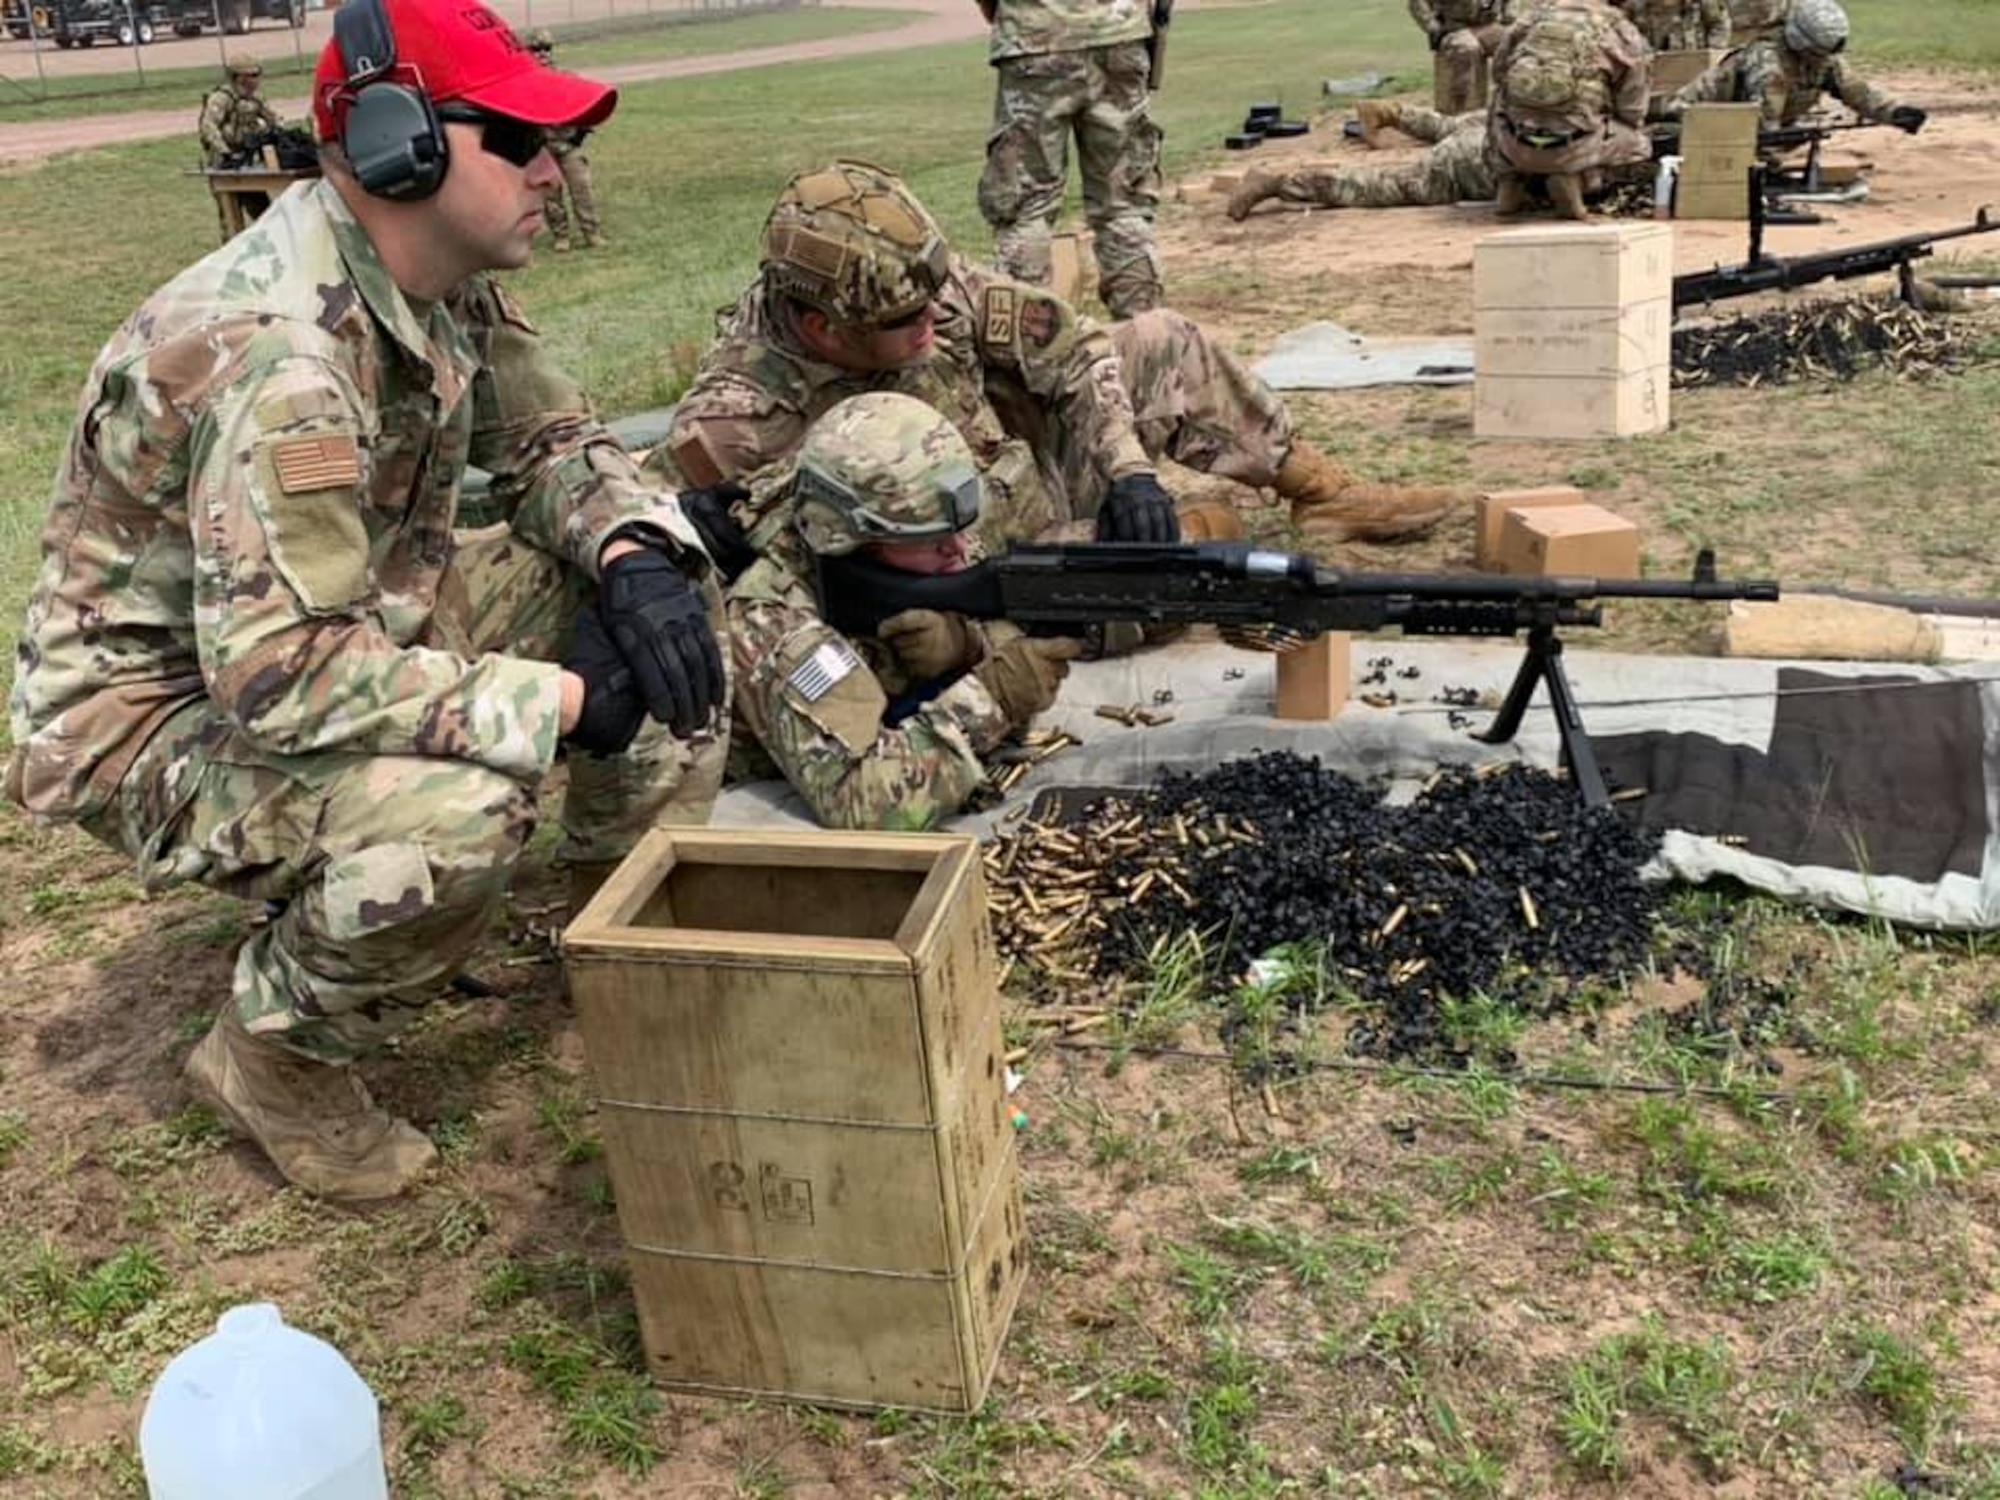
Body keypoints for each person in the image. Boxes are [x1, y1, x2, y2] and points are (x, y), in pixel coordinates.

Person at [6, 0, 730, 1203]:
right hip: (150, 720)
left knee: (666, 617)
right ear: (402, 145)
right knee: (459, 812)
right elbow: (277, 674)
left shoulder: (439, 279)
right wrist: (552, 698)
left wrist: (631, 555)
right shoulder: (275, 354)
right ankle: (273, 1060)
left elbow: (550, 437)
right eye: (515, 138)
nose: (554, 168)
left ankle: (608, 926)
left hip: (322, 635)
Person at [658, 160, 1460, 562]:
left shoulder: (918, 284)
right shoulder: (734, 423)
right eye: (904, 323)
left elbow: (1071, 347)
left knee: (1159, 339)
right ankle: (1170, 545)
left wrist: (1127, 472)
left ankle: (1322, 492)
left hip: (1025, 467)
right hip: (961, 554)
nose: (934, 324)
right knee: (1128, 587)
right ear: (818, 327)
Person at [717, 391, 1082, 830]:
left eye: (958, 531)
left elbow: (1002, 636)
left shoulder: (927, 534)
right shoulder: (773, 619)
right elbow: (868, 806)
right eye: (932, 541)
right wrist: (991, 699)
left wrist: (964, 646)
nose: (960, 549)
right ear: (850, 538)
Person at [976, 0, 1164, 317]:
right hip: (1120, 35)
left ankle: (1026, 345)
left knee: (1027, 211)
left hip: (1034, 37)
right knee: (1123, 207)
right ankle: (1144, 338)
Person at [1487, 0, 1653, 219]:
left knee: (1498, 102)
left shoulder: (1532, 17)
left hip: (1512, 142)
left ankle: (1510, 182)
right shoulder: (1621, 31)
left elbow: (1499, 72)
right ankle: (1578, 182)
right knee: (1640, 145)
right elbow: (1632, 109)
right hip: (1572, 145)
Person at [1667, 0, 1924, 132]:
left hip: (1747, 125)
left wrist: (1894, 112)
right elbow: (1762, 127)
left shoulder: (1821, 59)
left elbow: (1857, 91)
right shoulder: (1769, 65)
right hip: (1693, 117)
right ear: (1803, 42)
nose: (1826, 59)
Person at [1227, 101, 1495, 218]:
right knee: (1373, 185)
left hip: (1495, 133)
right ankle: (1277, 182)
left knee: (1448, 126)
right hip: (1473, 164)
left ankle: (1386, 111)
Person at [526, 29, 606, 251]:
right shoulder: (525, 86)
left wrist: (580, 134)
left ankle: (592, 233)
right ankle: (561, 236)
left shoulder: (566, 78)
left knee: (582, 188)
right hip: (543, 147)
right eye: (536, 50)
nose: (542, 54)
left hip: (569, 145)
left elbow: (586, 105)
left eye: (546, 49)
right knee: (552, 195)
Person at [1409, 0, 1515, 115]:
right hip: (1454, 27)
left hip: (1488, 24)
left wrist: (1509, 16)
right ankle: (1461, 113)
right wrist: (1431, 24)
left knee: (1517, 44)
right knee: (1467, 49)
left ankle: (1512, 110)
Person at [198, 52, 284, 169]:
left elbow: (273, 119)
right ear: (238, 77)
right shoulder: (222, 98)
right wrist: (226, 153)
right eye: (251, 75)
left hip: (250, 153)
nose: (256, 79)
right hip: (225, 156)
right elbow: (208, 126)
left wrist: (281, 135)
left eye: (257, 74)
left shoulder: (256, 98)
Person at [1611, 0, 1729, 51]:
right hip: (1654, 72)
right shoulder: (1635, 7)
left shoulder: (1702, 2)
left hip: (1697, 66)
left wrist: (1713, 52)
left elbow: (1719, 23)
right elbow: (1624, 32)